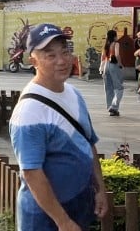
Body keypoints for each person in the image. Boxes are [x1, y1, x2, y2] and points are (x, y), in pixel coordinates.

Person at [8, 23, 109, 230]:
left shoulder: (74, 94)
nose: (62, 61)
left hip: (80, 203)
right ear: (33, 61)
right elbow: (32, 173)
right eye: (50, 55)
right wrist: (63, 222)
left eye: (65, 52)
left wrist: (100, 188)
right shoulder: (29, 111)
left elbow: (88, 143)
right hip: (44, 217)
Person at [99, 29, 123, 117]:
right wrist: (120, 64)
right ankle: (114, 107)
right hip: (113, 65)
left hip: (106, 65)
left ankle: (110, 108)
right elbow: (117, 55)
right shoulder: (116, 44)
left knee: (108, 88)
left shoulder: (106, 45)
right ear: (114, 36)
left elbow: (103, 57)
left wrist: (101, 68)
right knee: (119, 88)